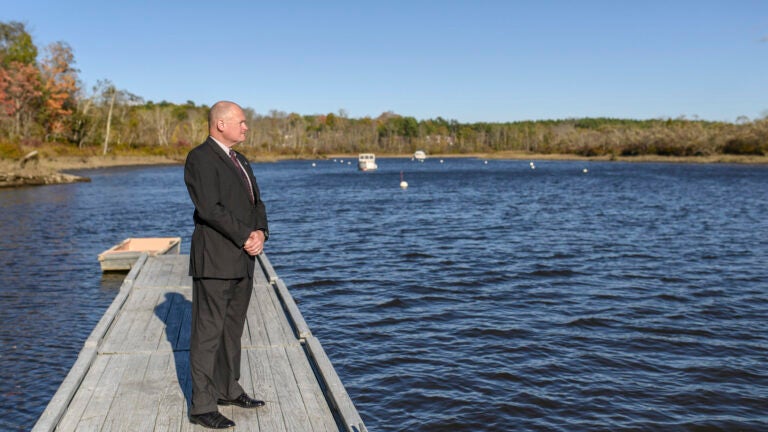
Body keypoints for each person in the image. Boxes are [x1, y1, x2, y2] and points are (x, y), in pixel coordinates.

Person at [183, 101, 269, 429]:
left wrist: (260, 232)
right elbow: (209, 208)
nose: (246, 127)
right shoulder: (200, 158)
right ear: (220, 124)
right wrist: (246, 234)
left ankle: (229, 388)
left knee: (232, 331)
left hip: (243, 261)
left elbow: (256, 203)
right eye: (242, 122)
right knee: (207, 333)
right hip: (215, 260)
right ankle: (202, 406)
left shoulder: (241, 160)